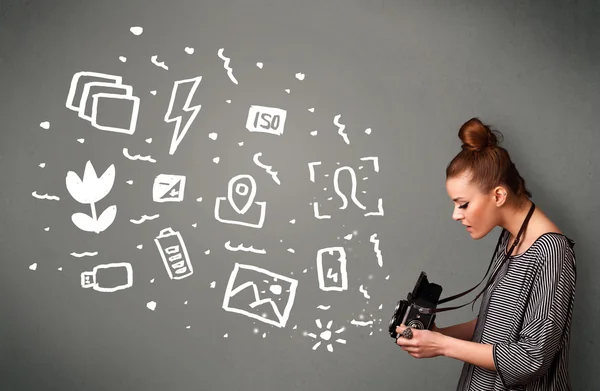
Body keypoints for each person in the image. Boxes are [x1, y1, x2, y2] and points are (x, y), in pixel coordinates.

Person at [395, 117, 577, 391]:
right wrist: (436, 335)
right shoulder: (511, 237)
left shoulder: (552, 252)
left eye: (464, 204)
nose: (456, 215)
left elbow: (532, 358)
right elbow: (497, 322)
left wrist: (444, 345)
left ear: (499, 195)